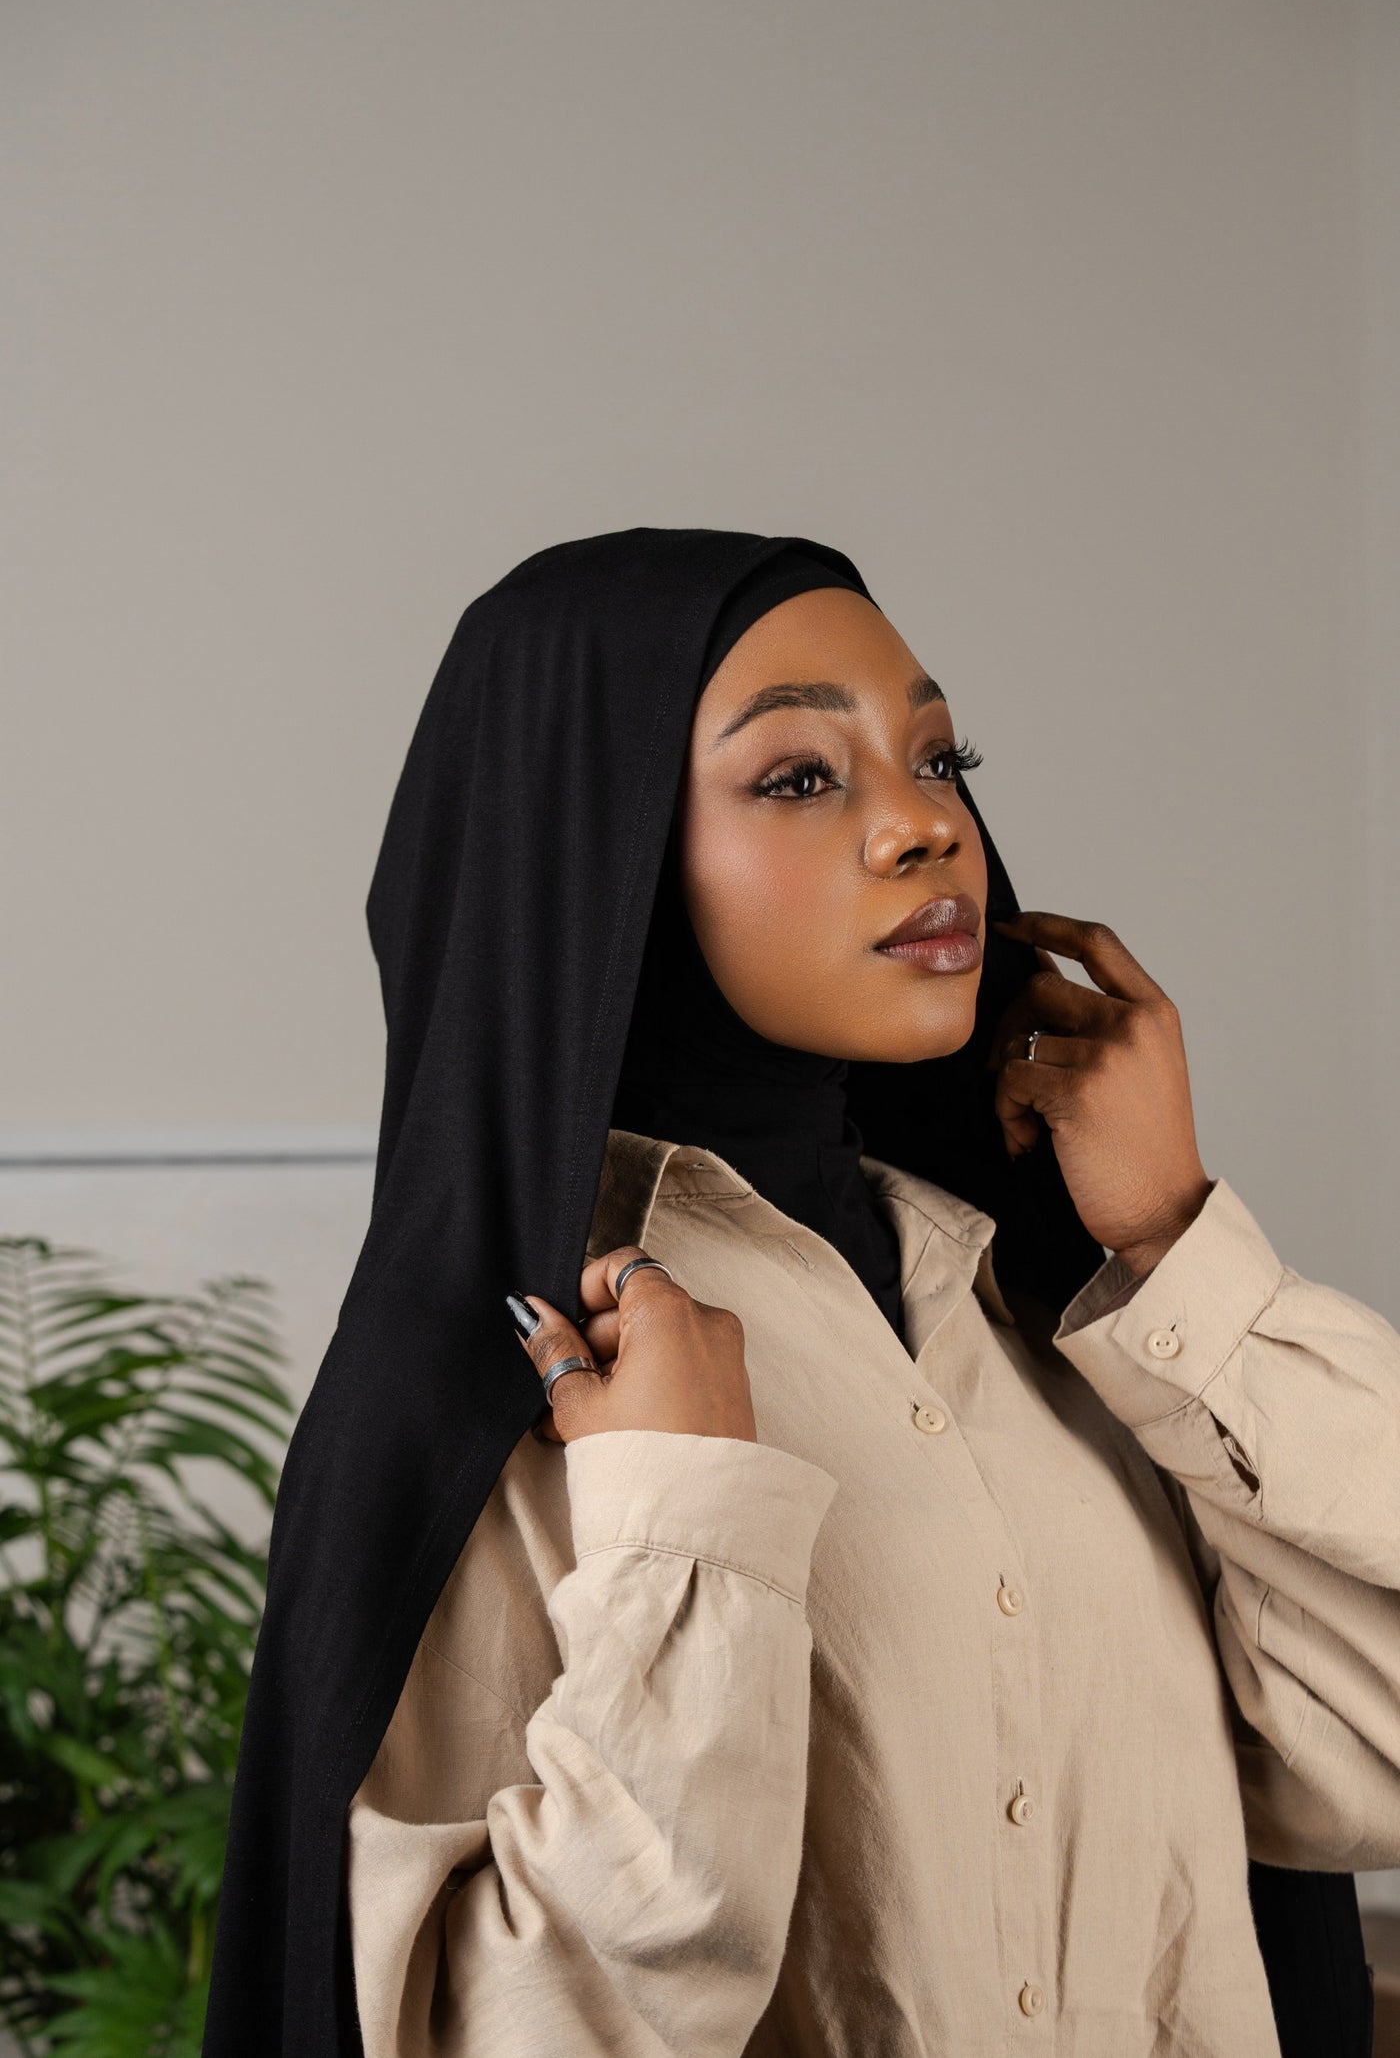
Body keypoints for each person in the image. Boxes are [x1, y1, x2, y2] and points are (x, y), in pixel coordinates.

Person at [203, 529, 1397, 2057]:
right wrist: (686, 1521)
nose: (926, 826)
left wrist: (1174, 1245)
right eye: (798, 776)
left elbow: (1358, 1773)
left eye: (940, 758)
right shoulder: (513, 1404)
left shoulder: (1061, 1317)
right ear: (601, 847)